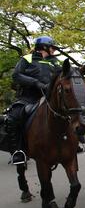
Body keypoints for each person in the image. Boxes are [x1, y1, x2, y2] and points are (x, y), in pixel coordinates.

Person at [7, 36, 61, 165]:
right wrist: (36, 83)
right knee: (14, 116)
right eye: (52, 48)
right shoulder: (27, 59)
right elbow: (16, 75)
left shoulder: (55, 62)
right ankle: (18, 151)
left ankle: (76, 143)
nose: (54, 50)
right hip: (29, 97)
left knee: (70, 111)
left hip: (50, 97)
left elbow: (63, 75)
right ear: (44, 47)